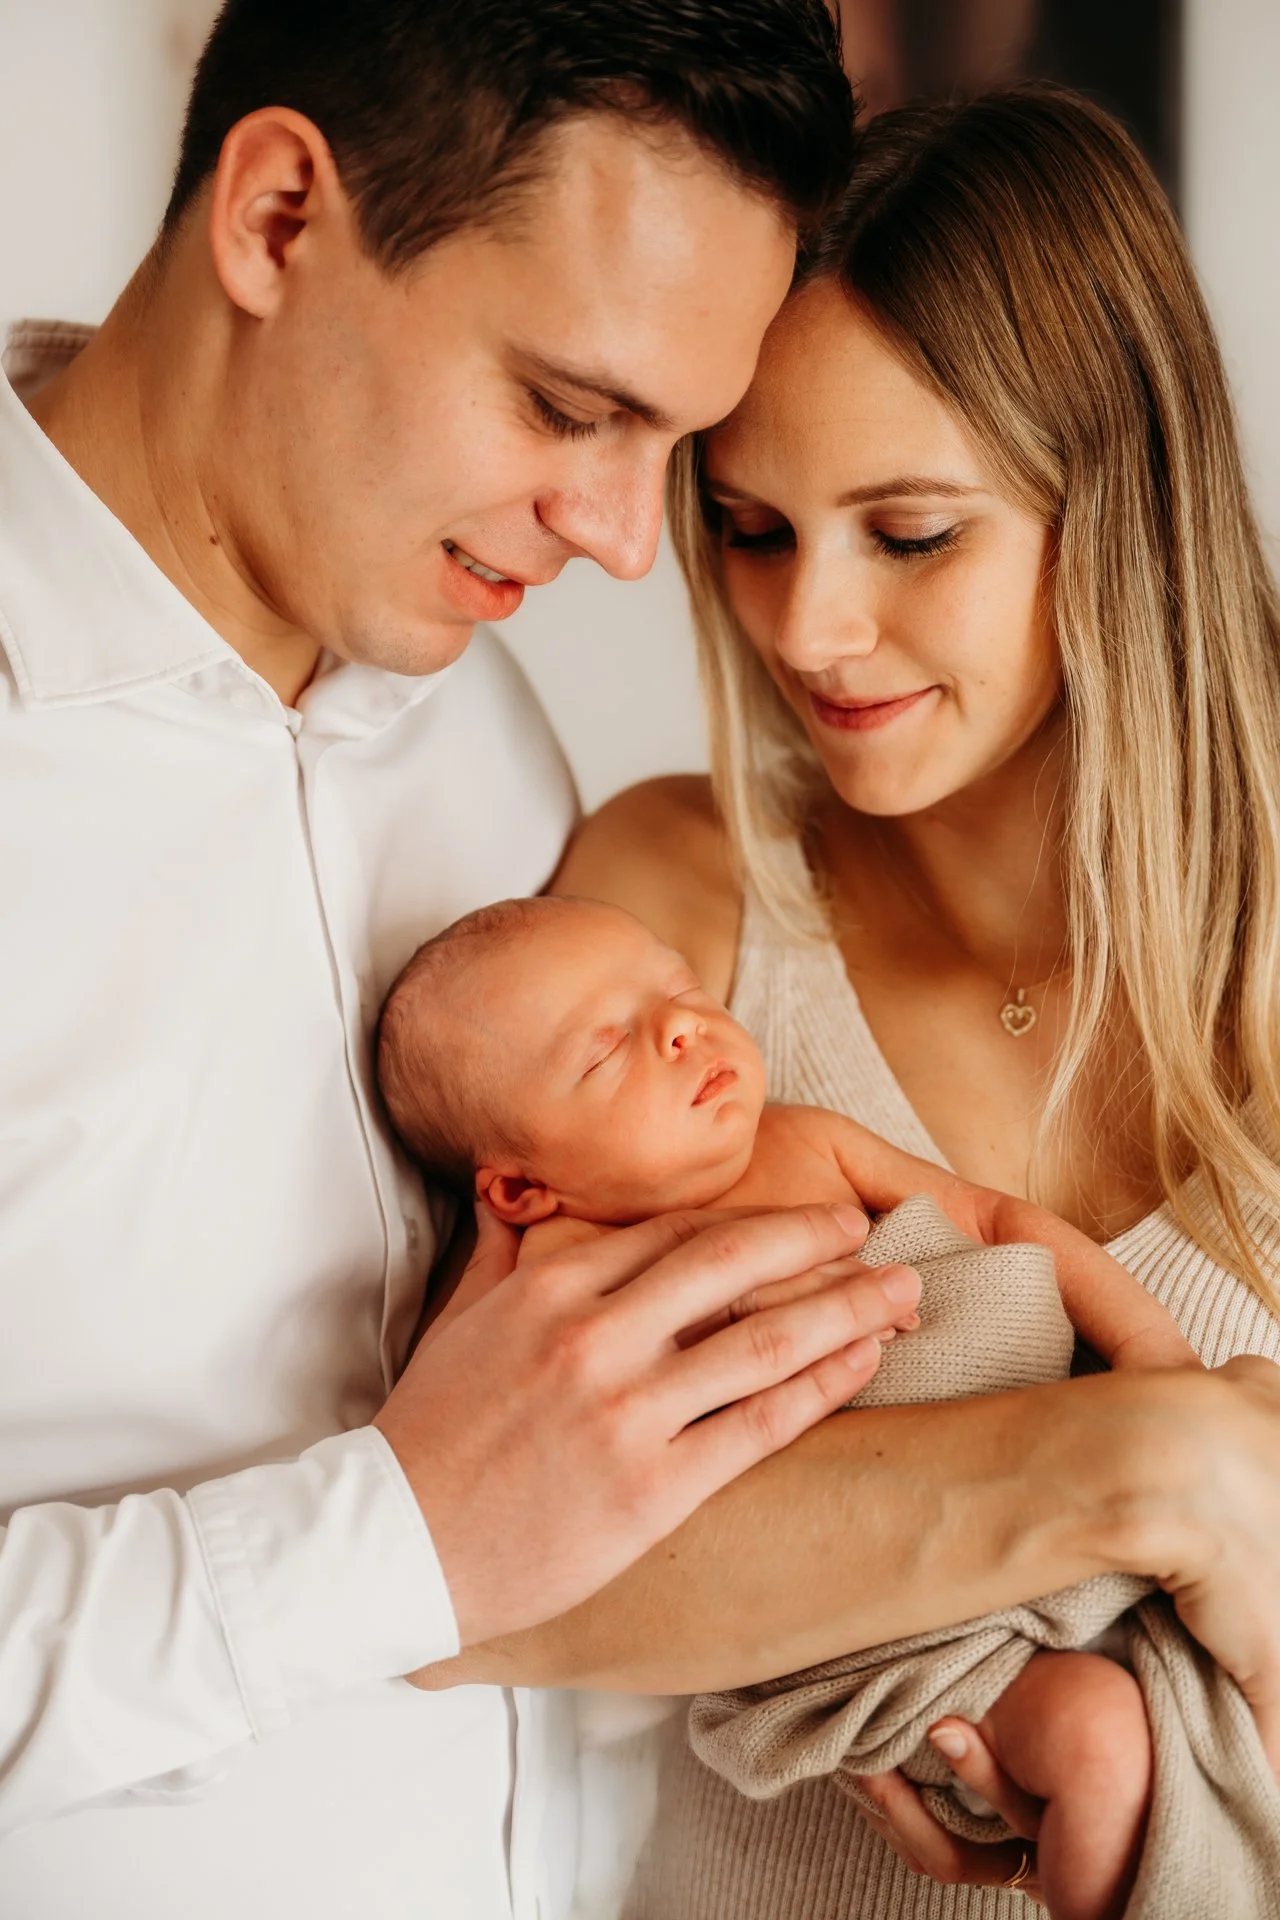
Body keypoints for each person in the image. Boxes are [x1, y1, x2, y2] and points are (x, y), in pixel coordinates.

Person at [0, 5, 913, 1917]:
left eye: (672, 442)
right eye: (570, 408)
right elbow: (469, 1515)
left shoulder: (480, 729)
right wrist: (395, 1541)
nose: (624, 540)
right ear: (276, 215)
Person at [432, 84, 1280, 1914]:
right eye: (752, 528)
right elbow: (478, 1581)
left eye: (909, 535)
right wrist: (1157, 1474)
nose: (807, 629)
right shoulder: (670, 920)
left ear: (1116, 514)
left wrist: (840, 1559)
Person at [377, 890, 1198, 1920]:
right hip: (916, 1632)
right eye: (606, 1050)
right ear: (519, 1191)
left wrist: (1155, 1359)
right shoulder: (561, 1289)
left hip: (1086, 1488)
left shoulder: (804, 1139)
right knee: (1098, 1747)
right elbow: (491, 1478)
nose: (680, 1026)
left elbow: (997, 1221)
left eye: (677, 987)